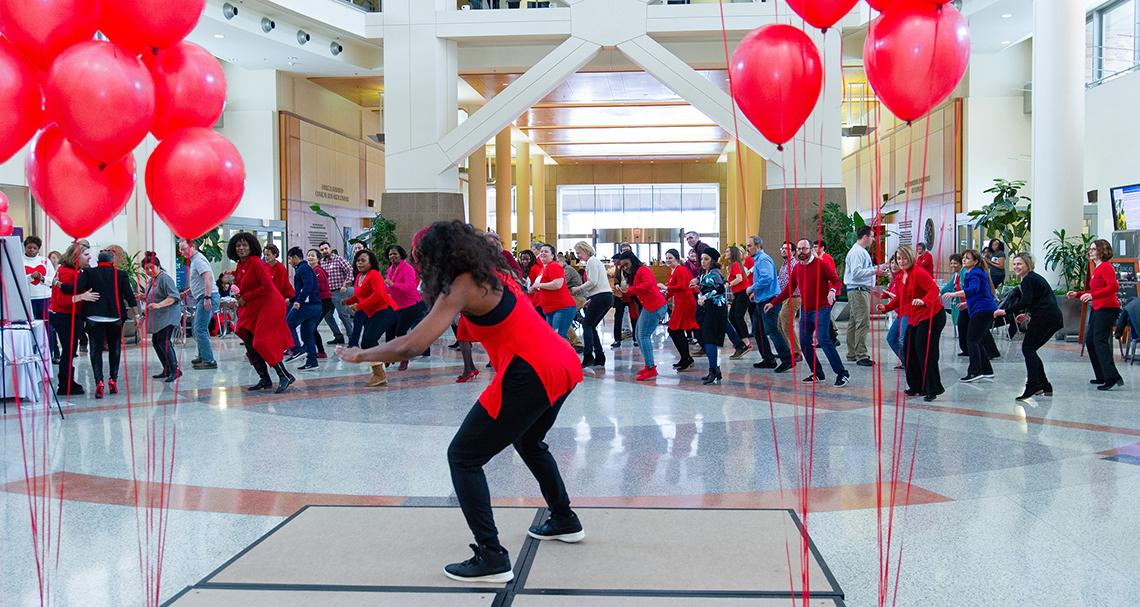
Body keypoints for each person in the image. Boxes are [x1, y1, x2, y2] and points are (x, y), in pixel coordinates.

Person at [338, 221, 584, 583]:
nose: (417, 264)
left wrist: (360, 355)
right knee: (529, 441)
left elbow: (412, 344)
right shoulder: (494, 271)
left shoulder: (461, 286)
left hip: (531, 371)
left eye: (419, 257)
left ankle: (492, 556)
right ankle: (564, 519)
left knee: (464, 457)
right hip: (561, 362)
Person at [767, 239, 850, 386]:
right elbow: (788, 290)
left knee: (823, 340)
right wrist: (773, 303)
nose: (801, 252)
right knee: (805, 343)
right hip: (806, 310)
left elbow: (837, 281)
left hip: (822, 309)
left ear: (811, 249)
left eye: (804, 249)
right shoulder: (797, 268)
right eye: (799, 249)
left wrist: (832, 291)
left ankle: (842, 373)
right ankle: (817, 373)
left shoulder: (821, 265)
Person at [229, 233, 296, 394]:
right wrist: (236, 296)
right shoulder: (240, 265)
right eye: (238, 245)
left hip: (270, 304)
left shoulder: (257, 263)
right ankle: (264, 379)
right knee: (247, 338)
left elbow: (267, 286)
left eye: (244, 245)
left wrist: (245, 296)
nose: (241, 248)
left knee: (262, 341)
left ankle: (284, 375)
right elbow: (241, 287)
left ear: (251, 247)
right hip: (254, 306)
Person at [880, 246, 945, 401]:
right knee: (909, 348)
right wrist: (887, 307)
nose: (901, 262)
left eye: (904, 258)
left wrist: (923, 300)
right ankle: (916, 386)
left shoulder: (918, 272)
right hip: (916, 316)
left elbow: (934, 290)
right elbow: (901, 297)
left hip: (932, 315)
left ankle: (932, 388)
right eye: (898, 259)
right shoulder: (904, 275)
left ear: (910, 258)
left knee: (925, 351)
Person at [995, 253, 1063, 400]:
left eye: (1019, 264)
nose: (1016, 267)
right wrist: (1027, 315)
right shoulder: (1032, 279)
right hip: (1049, 317)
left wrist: (1006, 311)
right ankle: (1043, 385)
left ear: (1028, 265)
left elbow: (1026, 301)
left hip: (1046, 319)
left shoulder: (1029, 280)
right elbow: (1037, 300)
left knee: (1028, 349)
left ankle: (1034, 385)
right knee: (1030, 350)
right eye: (1014, 264)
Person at [78, 251, 139, 399]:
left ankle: (99, 381)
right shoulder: (121, 274)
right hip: (115, 317)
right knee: (115, 348)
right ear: (112, 260)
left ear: (98, 260)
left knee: (95, 350)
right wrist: (137, 315)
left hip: (94, 316)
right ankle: (113, 379)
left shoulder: (88, 272)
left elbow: (78, 288)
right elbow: (129, 296)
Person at [1067, 239, 1123, 391]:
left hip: (1107, 309)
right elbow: (1095, 292)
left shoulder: (1105, 267)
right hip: (1099, 308)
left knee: (1099, 341)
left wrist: (1093, 296)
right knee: (1091, 341)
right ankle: (1102, 375)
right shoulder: (1097, 268)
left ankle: (1111, 376)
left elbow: (1113, 287)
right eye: (1090, 249)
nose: (1090, 251)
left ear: (1102, 251)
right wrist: (1077, 294)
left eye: (1093, 249)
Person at [343, 249, 398, 387]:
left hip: (386, 310)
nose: (359, 263)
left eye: (363, 260)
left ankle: (380, 374)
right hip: (374, 312)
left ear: (370, 262)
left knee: (368, 340)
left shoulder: (374, 275)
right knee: (368, 341)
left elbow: (378, 295)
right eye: (358, 260)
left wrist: (359, 306)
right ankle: (379, 372)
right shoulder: (359, 277)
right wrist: (347, 301)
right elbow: (359, 294)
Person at [943, 249, 997, 383]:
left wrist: (954, 294)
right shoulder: (973, 273)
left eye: (967, 258)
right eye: (963, 258)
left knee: (972, 340)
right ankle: (986, 370)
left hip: (983, 310)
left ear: (976, 261)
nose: (964, 260)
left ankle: (975, 371)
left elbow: (973, 290)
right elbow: (979, 294)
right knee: (976, 340)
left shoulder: (975, 273)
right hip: (981, 309)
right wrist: (966, 305)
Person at [49, 244, 97, 396]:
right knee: (68, 351)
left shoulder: (67, 271)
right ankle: (65, 384)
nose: (89, 257)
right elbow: (62, 299)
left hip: (65, 315)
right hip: (64, 315)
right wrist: (82, 296)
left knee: (70, 351)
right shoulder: (68, 273)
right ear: (76, 257)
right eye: (86, 254)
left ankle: (67, 381)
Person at [613, 250, 668, 381]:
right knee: (639, 335)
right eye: (623, 266)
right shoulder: (633, 274)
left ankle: (651, 368)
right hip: (650, 306)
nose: (625, 268)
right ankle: (649, 365)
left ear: (632, 260)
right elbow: (632, 294)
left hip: (655, 305)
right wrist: (623, 295)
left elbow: (648, 284)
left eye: (626, 264)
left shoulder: (643, 270)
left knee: (643, 336)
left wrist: (629, 290)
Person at [746, 235, 793, 373]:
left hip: (769, 300)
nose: (747, 249)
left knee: (771, 330)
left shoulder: (763, 259)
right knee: (757, 330)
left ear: (758, 246)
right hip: (762, 299)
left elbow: (767, 278)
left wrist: (752, 288)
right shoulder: (758, 259)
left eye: (749, 246)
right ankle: (768, 359)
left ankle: (787, 359)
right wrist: (757, 293)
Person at [386, 244, 428, 370]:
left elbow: (410, 286)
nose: (392, 256)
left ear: (401, 254)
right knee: (389, 330)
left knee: (400, 332)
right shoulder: (390, 269)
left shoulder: (407, 268)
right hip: (397, 305)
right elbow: (387, 286)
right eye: (390, 254)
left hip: (411, 305)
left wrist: (393, 285)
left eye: (395, 253)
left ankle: (404, 359)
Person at [141, 253, 182, 383]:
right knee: (156, 341)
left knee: (164, 341)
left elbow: (174, 297)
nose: (148, 271)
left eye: (151, 267)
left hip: (168, 315)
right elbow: (153, 297)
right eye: (146, 268)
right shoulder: (151, 280)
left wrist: (159, 305)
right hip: (159, 317)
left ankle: (175, 370)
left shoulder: (165, 278)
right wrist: (142, 297)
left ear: (158, 266)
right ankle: (167, 369)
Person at [178, 238, 219, 370]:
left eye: (183, 248)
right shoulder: (196, 260)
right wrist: (189, 291)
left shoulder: (198, 260)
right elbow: (200, 280)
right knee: (200, 328)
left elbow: (208, 277)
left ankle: (209, 360)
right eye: (180, 249)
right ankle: (203, 356)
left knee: (199, 329)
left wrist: (207, 297)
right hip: (204, 297)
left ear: (193, 247)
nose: (181, 252)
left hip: (208, 297)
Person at [844, 226, 882, 367]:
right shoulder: (857, 252)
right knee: (863, 322)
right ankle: (861, 355)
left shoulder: (860, 251)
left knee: (854, 322)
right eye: (872, 236)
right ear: (865, 237)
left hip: (859, 290)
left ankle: (852, 353)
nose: (873, 239)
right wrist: (875, 271)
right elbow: (856, 273)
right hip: (858, 291)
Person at [571, 241, 613, 367]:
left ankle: (588, 356)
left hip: (601, 297)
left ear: (585, 250)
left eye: (578, 252)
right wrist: (591, 298)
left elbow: (593, 282)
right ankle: (599, 357)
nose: (577, 255)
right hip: (604, 296)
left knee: (587, 325)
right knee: (591, 326)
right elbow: (599, 283)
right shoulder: (595, 261)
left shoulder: (591, 261)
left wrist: (579, 288)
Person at [285, 247, 323, 371]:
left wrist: (298, 301)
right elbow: (303, 289)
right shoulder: (303, 268)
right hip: (315, 306)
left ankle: (297, 350)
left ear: (296, 257)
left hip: (308, 305)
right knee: (307, 334)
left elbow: (307, 286)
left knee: (288, 323)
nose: (289, 262)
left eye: (290, 259)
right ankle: (312, 361)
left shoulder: (303, 268)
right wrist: (291, 300)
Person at [660, 248, 698, 371]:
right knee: (674, 330)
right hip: (681, 302)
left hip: (685, 302)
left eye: (670, 258)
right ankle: (685, 357)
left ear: (676, 258)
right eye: (666, 258)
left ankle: (686, 358)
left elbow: (682, 286)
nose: (668, 260)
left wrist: (665, 287)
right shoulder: (674, 271)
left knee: (675, 330)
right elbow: (672, 289)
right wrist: (664, 295)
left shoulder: (680, 269)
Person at [530, 244, 578, 340]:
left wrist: (539, 285)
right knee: (553, 338)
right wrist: (535, 288)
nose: (542, 253)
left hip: (561, 307)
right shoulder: (544, 268)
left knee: (558, 338)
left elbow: (557, 284)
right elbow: (545, 286)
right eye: (541, 251)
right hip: (550, 308)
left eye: (546, 251)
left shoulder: (554, 266)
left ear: (552, 256)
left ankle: (566, 355)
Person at [695, 248, 728, 385]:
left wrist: (705, 296)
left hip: (716, 309)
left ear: (713, 260)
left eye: (706, 259)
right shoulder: (705, 273)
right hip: (708, 308)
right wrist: (700, 294)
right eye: (702, 259)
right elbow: (703, 289)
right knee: (705, 337)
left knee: (709, 339)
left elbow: (721, 288)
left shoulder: (715, 273)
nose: (703, 262)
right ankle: (715, 369)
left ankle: (713, 369)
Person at [23, 236, 58, 362]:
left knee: (47, 326)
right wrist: (30, 277)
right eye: (29, 248)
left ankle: (49, 352)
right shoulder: (20, 260)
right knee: (30, 326)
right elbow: (18, 279)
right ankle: (32, 352)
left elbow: (53, 279)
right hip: (28, 299)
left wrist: (42, 278)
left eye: (35, 248)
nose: (32, 250)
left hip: (44, 298)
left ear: (39, 249)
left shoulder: (45, 261)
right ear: (25, 248)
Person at [318, 240, 354, 345]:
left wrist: (345, 284)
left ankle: (352, 337)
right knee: (327, 315)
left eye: (326, 248)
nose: (324, 251)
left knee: (343, 315)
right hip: (327, 294)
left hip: (339, 292)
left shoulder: (338, 259)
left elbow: (350, 271)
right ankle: (338, 336)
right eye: (322, 250)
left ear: (330, 248)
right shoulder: (322, 262)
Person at [724, 246, 753, 360]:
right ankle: (742, 340)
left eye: (727, 251)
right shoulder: (733, 265)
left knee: (738, 316)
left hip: (742, 292)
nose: (725, 253)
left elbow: (739, 278)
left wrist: (728, 284)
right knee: (732, 316)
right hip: (738, 293)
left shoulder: (735, 264)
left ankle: (746, 342)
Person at [776, 241, 801, 361]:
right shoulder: (784, 265)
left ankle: (797, 352)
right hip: (785, 298)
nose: (784, 250)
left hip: (793, 298)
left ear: (794, 252)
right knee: (781, 324)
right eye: (782, 248)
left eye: (787, 249)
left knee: (786, 324)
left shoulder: (795, 264)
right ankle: (789, 350)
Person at [306, 248, 333, 360]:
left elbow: (320, 287)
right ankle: (318, 351)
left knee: (311, 326)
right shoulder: (312, 270)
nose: (310, 257)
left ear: (318, 258)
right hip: (318, 301)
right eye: (308, 255)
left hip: (324, 301)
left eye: (313, 255)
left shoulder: (318, 271)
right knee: (311, 326)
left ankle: (320, 351)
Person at [940, 254, 968, 356]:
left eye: (955, 263)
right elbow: (949, 286)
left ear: (961, 264)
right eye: (951, 263)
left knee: (964, 326)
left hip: (967, 304)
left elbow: (966, 289)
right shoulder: (956, 275)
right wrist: (940, 292)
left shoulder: (964, 274)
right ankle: (966, 349)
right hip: (960, 304)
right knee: (962, 326)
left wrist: (953, 294)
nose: (953, 265)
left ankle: (968, 349)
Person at [611, 243, 637, 347]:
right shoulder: (618, 263)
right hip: (620, 293)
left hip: (631, 293)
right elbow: (616, 277)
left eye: (627, 250)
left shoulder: (635, 264)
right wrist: (617, 285)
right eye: (623, 250)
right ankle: (617, 339)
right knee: (618, 316)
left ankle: (636, 338)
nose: (625, 252)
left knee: (634, 316)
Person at [883, 258, 908, 368]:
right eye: (892, 262)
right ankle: (907, 363)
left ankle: (911, 363)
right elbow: (890, 295)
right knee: (892, 338)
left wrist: (893, 297)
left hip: (907, 312)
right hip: (901, 313)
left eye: (897, 262)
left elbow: (902, 297)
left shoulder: (904, 277)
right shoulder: (894, 279)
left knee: (903, 339)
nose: (893, 265)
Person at [518, 249, 543, 314]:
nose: (524, 261)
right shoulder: (525, 269)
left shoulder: (535, 268)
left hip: (538, 300)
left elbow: (541, 281)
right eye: (522, 259)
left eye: (527, 259)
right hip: (532, 299)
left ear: (532, 259)